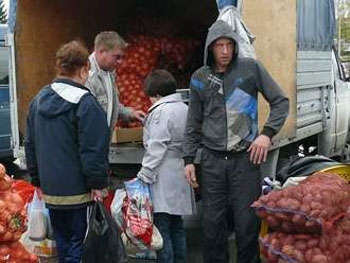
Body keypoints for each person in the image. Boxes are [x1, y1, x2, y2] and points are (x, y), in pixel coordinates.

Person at [182, 20, 289, 263]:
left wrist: (266, 134)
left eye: (229, 44)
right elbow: (193, 121)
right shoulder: (200, 78)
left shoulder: (250, 69)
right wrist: (188, 159)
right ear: (210, 48)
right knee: (211, 225)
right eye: (219, 45)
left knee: (246, 224)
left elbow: (280, 101)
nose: (225, 51)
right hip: (212, 161)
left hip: (245, 160)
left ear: (235, 46)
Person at [25, 40, 109, 263]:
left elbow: (30, 145)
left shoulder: (37, 101)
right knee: (80, 246)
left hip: (51, 191)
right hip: (79, 192)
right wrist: (98, 183)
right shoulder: (86, 103)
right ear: (83, 69)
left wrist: (37, 180)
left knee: (63, 245)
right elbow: (93, 150)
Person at [137, 69, 195, 263]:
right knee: (177, 225)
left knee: (162, 228)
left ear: (157, 95)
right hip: (181, 168)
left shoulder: (161, 111)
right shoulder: (185, 108)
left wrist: (144, 174)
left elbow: (157, 146)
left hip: (163, 173)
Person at [86, 31, 146, 141]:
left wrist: (130, 113)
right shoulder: (87, 76)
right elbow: (87, 116)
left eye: (122, 57)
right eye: (117, 57)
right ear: (101, 52)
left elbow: (111, 105)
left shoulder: (110, 72)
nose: (120, 62)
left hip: (102, 143)